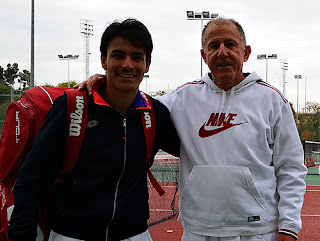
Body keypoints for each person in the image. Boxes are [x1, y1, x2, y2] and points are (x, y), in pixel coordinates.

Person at [78, 17, 307, 241]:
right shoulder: (182, 98)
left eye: (230, 44)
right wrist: (107, 83)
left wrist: (289, 228)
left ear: (245, 52)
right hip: (198, 230)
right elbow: (134, 104)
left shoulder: (273, 100)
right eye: (213, 46)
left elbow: (291, 169)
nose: (222, 52)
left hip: (257, 230)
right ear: (204, 56)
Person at [8, 18, 179, 241]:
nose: (127, 64)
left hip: (135, 235)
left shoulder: (155, 113)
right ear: (103, 60)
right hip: (72, 235)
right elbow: (32, 177)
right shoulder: (72, 107)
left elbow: (197, 147)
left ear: (147, 65)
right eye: (118, 55)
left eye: (136, 57)